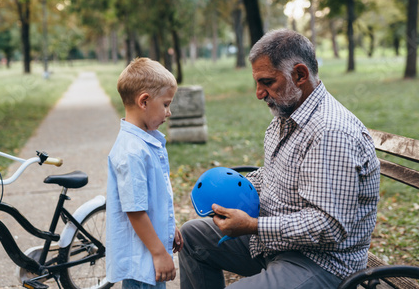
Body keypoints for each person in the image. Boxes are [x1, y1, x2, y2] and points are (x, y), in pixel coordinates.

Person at [179, 29, 380, 289]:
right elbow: (273, 177)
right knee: (192, 236)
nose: (258, 93)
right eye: (257, 83)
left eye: (267, 82)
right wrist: (225, 188)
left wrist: (253, 226)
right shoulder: (286, 117)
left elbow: (328, 226)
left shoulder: (330, 132)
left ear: (299, 75)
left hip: (321, 263)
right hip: (277, 245)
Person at [106, 57, 184, 289]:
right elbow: (135, 210)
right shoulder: (132, 151)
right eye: (166, 104)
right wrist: (159, 253)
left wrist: (170, 228)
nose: (168, 112)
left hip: (149, 255)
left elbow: (153, 200)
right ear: (144, 101)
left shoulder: (144, 142)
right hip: (143, 262)